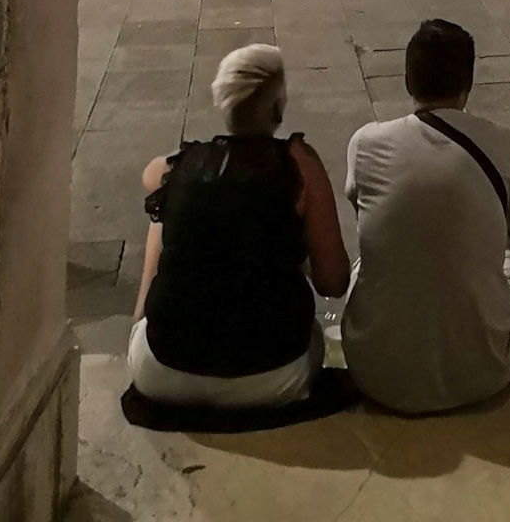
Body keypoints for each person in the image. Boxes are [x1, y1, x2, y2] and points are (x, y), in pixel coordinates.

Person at [128, 45, 349, 408]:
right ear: (278, 108)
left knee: (163, 211)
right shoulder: (299, 165)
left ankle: (141, 319)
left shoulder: (187, 165)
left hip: (164, 370)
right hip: (272, 373)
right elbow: (333, 282)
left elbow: (151, 175)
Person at [342, 19, 510, 414]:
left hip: (375, 371)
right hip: (481, 374)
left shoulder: (365, 143)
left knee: (370, 255)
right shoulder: (505, 141)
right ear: (468, 84)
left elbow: (358, 205)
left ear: (407, 80)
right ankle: (505, 341)